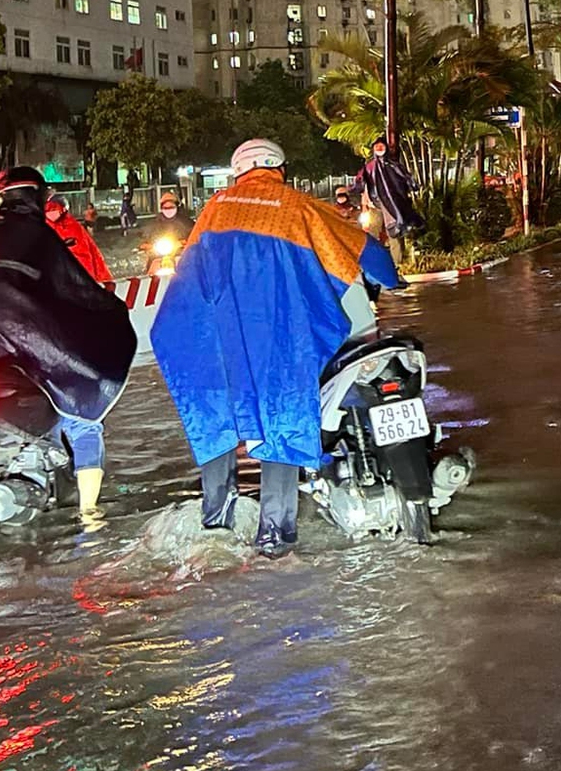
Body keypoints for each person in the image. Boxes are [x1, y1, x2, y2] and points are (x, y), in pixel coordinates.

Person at [150, 138, 401, 556]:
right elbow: (363, 248)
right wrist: (394, 281)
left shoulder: (214, 211)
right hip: (283, 337)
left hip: (224, 338)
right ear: (280, 170)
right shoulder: (297, 207)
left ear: (237, 173)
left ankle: (217, 521)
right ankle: (275, 535)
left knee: (212, 411)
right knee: (283, 418)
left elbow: (190, 286)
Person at [0, 168, 135, 523]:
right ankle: (90, 512)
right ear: (41, 199)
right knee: (84, 417)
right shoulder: (46, 240)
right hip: (30, 348)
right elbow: (77, 290)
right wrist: (107, 311)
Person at [356, 140, 422, 258]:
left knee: (394, 233)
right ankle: (375, 261)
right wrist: (364, 204)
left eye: (381, 146)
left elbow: (405, 178)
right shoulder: (369, 167)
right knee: (372, 235)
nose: (379, 148)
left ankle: (398, 262)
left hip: (392, 206)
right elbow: (361, 184)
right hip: (375, 206)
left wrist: (411, 188)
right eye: (377, 146)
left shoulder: (393, 165)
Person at [45, 196, 112, 283]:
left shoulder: (38, 225)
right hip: (81, 281)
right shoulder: (74, 226)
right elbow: (94, 253)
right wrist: (105, 279)